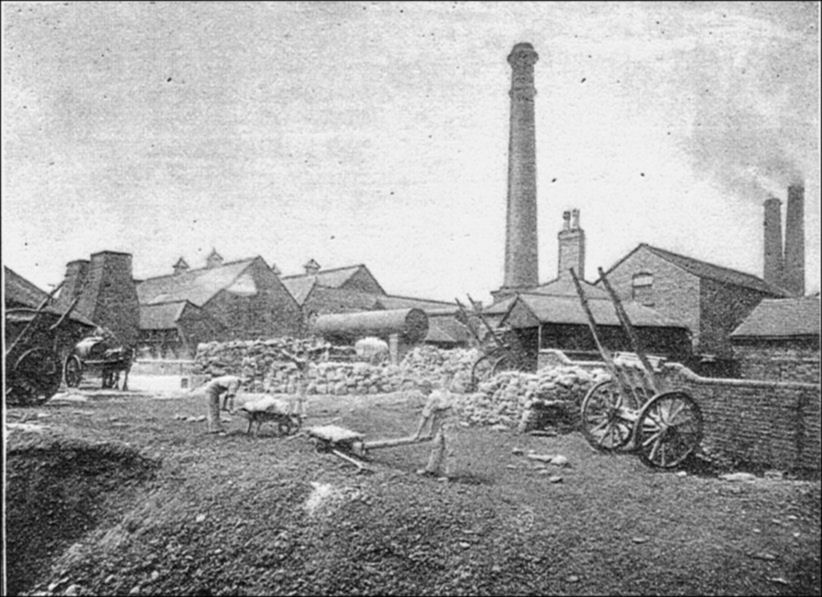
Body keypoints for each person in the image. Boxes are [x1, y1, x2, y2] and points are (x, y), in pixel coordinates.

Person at [414, 374, 455, 478]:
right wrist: (430, 432)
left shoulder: (433, 397)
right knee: (436, 445)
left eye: (421, 388)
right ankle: (431, 469)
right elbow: (435, 417)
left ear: (427, 388)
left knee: (450, 448)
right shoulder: (435, 394)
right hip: (442, 421)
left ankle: (450, 475)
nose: (420, 391)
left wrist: (417, 434)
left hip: (450, 421)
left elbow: (425, 417)